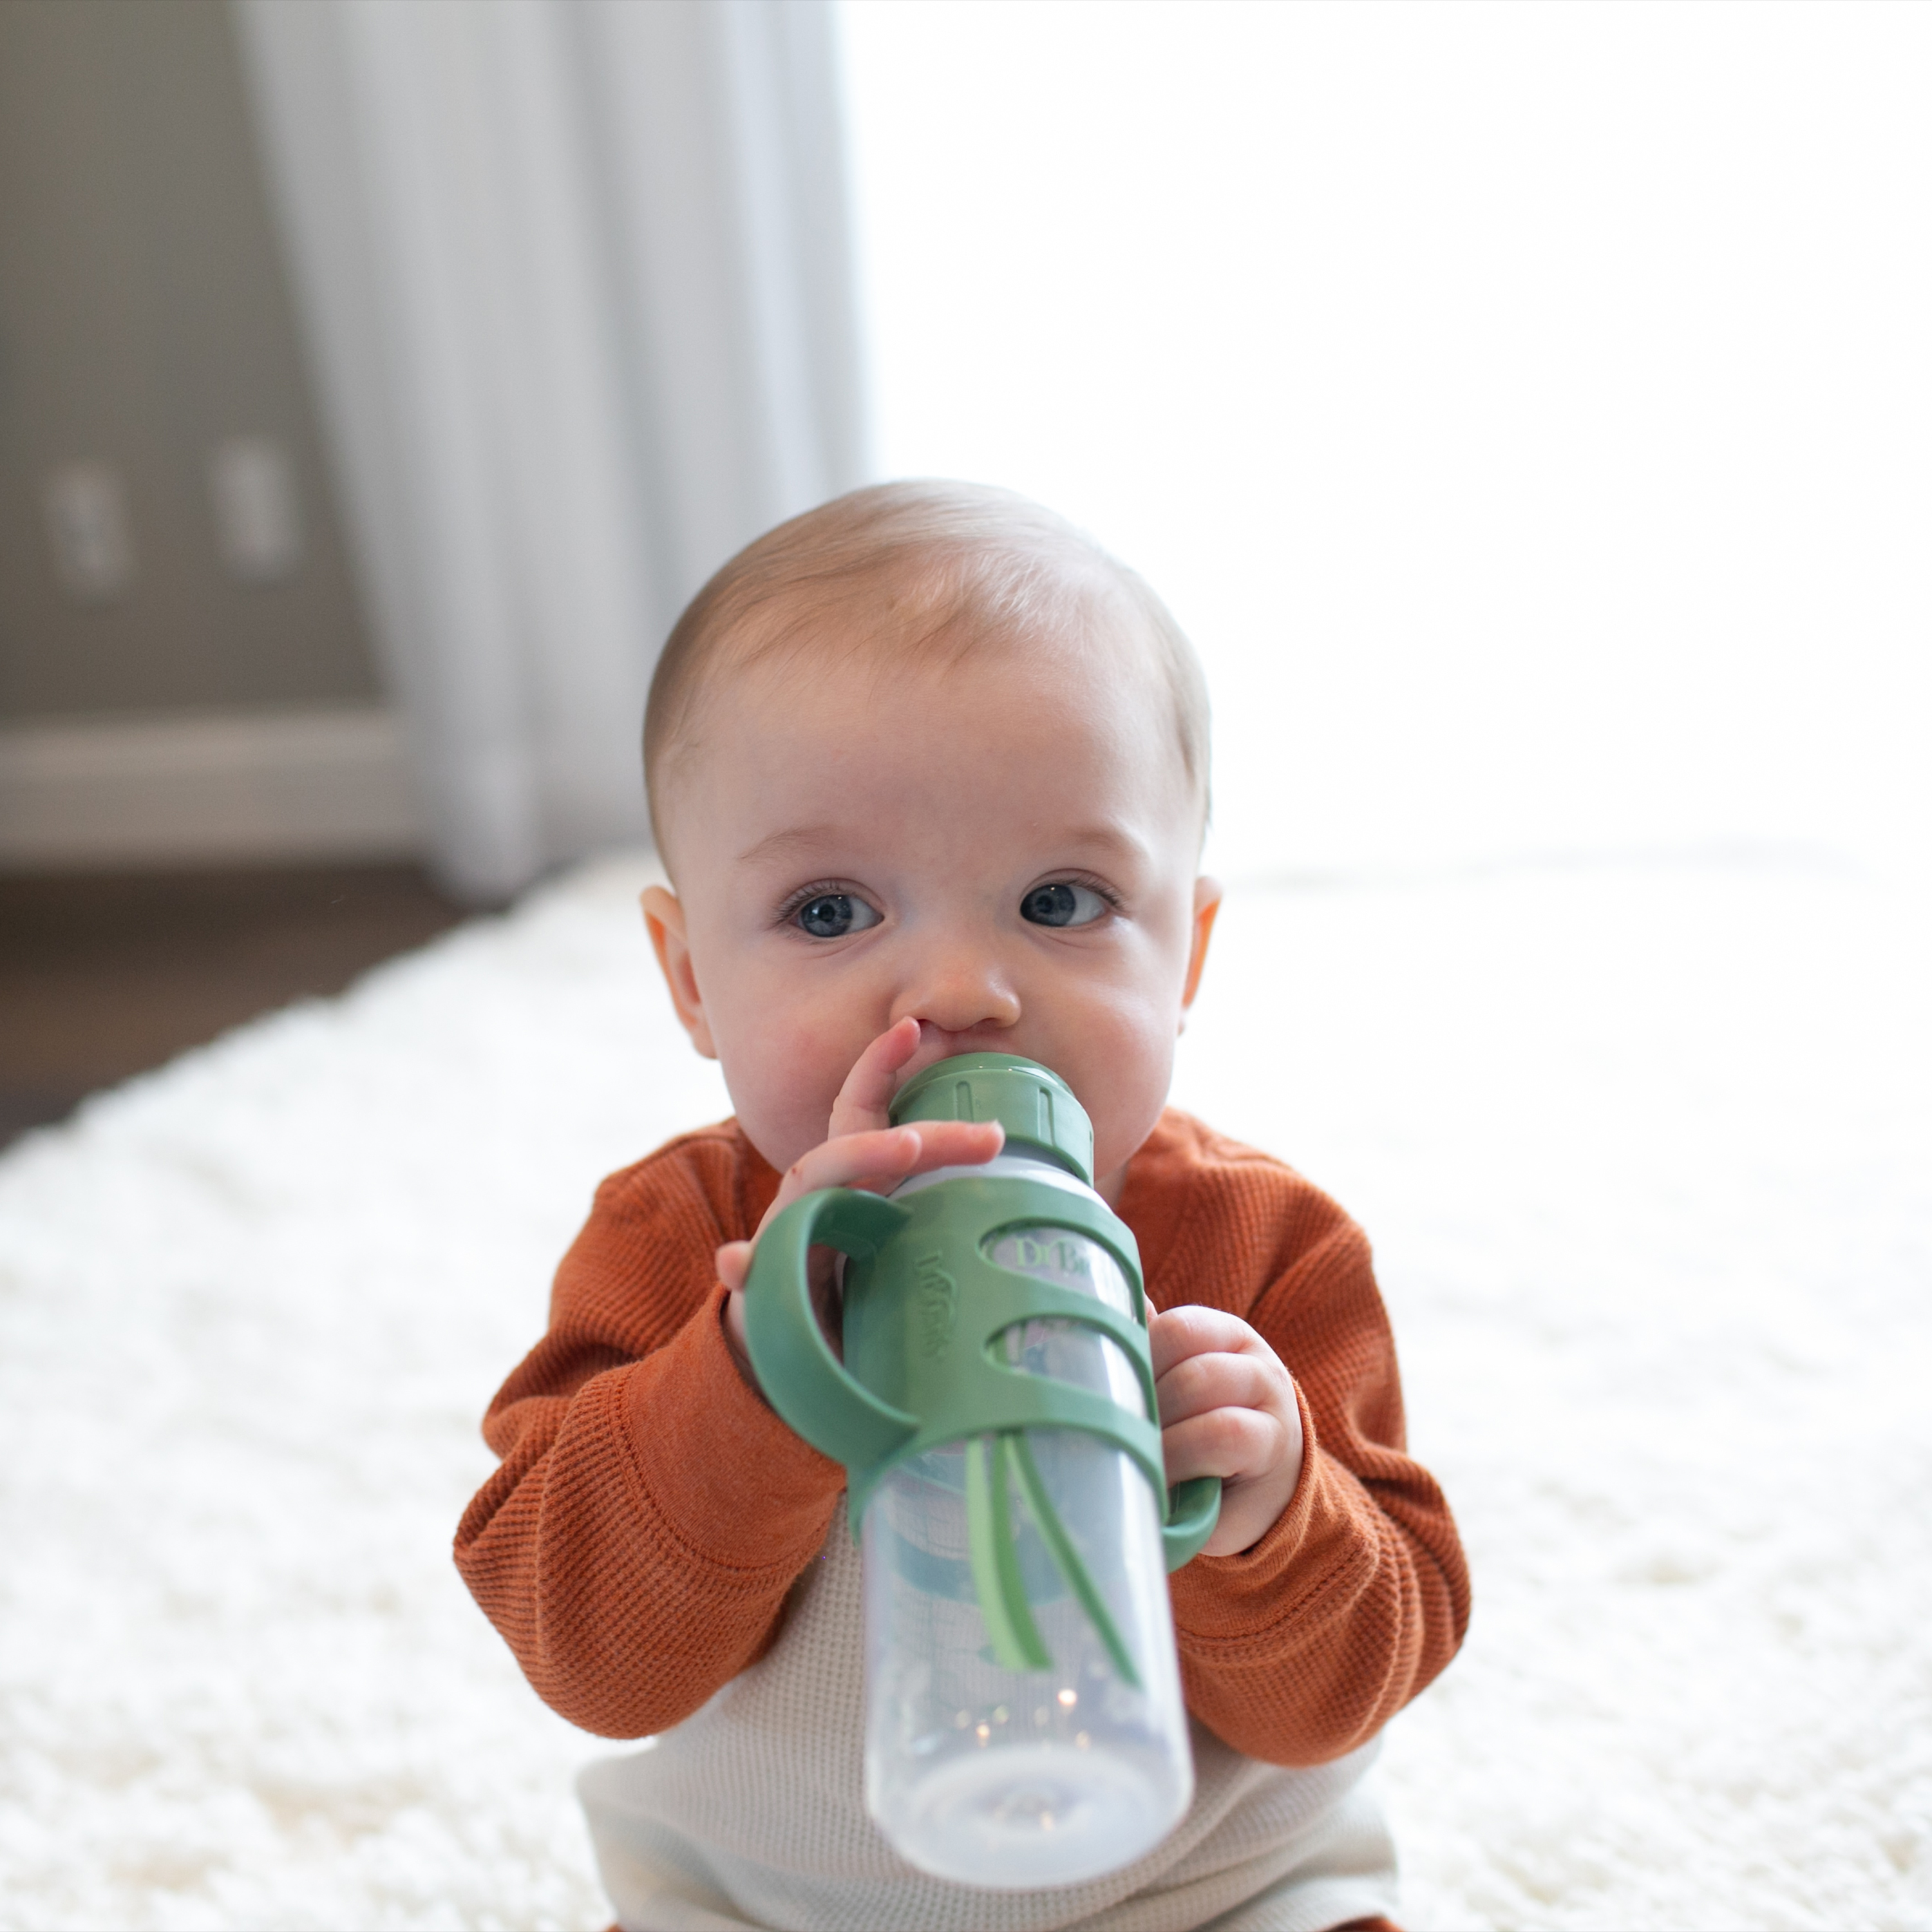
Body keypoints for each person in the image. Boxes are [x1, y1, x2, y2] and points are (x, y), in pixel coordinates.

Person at [455, 482, 1470, 1932]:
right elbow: (591, 1660)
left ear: (1186, 956)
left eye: (1060, 901)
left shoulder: (1264, 1250)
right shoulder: (674, 1245)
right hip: (771, 1906)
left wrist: (1269, 1509)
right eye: (829, 912)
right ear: (690, 981)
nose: (959, 992)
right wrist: (741, 1386)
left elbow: (1366, 1672)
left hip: (1203, 1893)